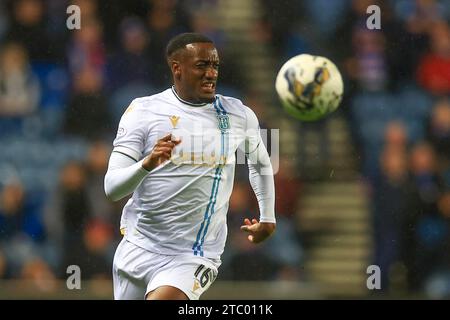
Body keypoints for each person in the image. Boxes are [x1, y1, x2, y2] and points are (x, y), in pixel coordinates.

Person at [104, 33, 276, 300]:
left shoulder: (239, 114)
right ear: (177, 68)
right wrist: (146, 165)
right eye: (201, 65)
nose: (210, 74)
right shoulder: (142, 111)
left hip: (194, 254)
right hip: (137, 247)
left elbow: (262, 162)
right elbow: (112, 188)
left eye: (215, 66)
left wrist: (268, 216)